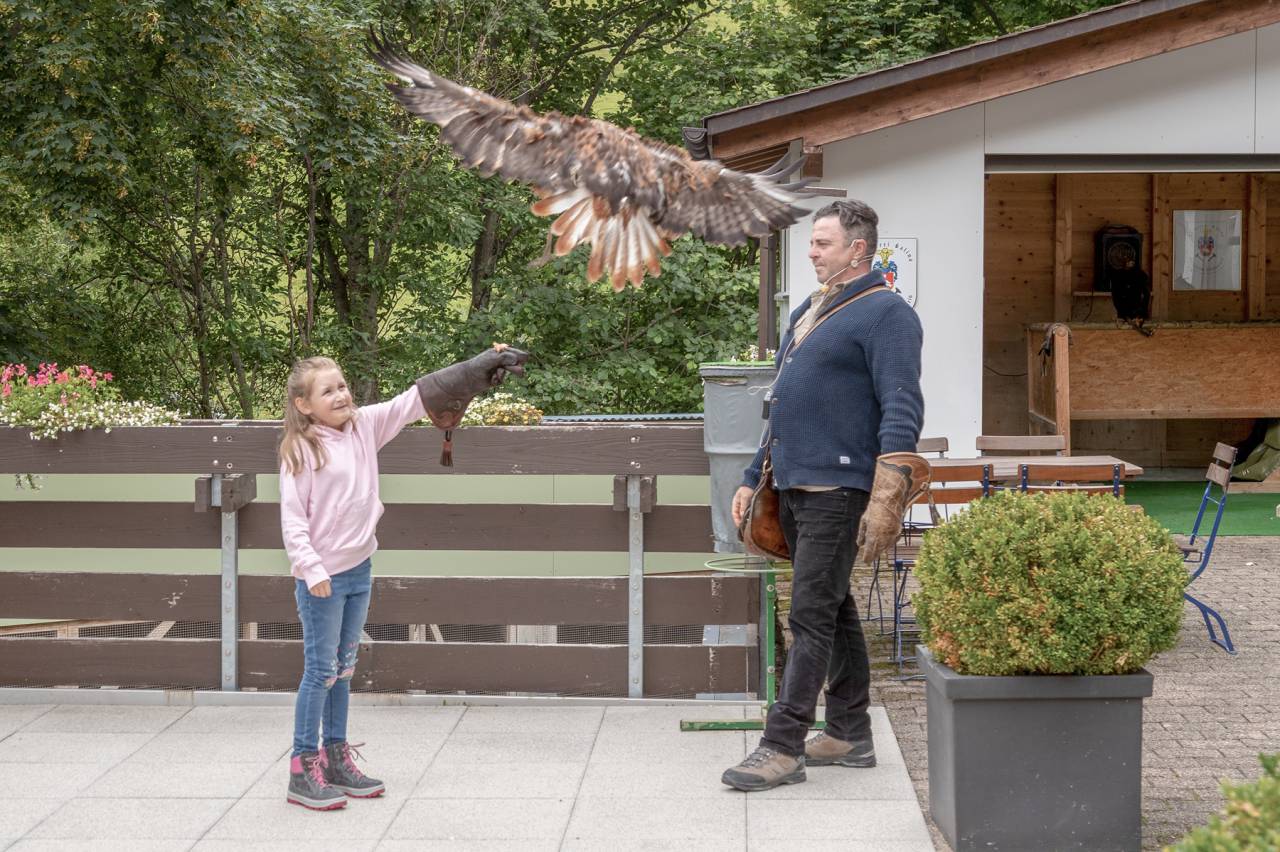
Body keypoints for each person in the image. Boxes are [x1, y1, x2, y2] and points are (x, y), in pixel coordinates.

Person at [722, 200, 924, 792]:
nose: (811, 252)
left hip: (840, 489)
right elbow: (781, 405)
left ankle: (782, 746)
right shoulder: (810, 311)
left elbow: (902, 406)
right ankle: (849, 733)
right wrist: (752, 475)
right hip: (792, 483)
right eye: (811, 242)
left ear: (857, 249)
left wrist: (888, 495)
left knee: (809, 615)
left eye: (822, 243)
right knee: (833, 609)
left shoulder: (888, 314)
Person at [279, 344, 528, 810]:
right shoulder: (301, 449)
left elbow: (414, 400)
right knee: (319, 672)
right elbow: (293, 521)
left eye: (342, 386)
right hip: (322, 579)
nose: (340, 395)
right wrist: (312, 570)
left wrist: (473, 369)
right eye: (327, 391)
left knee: (343, 669)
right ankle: (302, 767)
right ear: (304, 405)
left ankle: (335, 758)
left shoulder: (364, 426)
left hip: (359, 569)